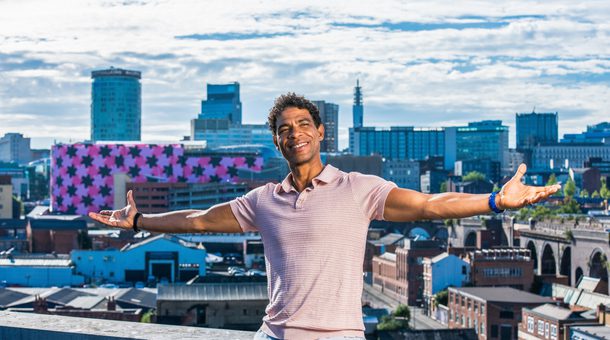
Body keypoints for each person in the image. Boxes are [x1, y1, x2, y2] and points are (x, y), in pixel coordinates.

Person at [89, 93, 561, 340]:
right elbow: (198, 221)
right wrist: (138, 223)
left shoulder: (359, 189)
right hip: (274, 335)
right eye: (283, 129)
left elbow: (428, 204)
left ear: (320, 133)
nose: (294, 134)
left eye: (302, 125)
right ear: (277, 142)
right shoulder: (262, 200)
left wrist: (496, 202)